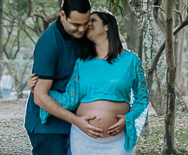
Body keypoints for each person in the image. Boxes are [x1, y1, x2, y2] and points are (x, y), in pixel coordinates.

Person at [34, 11, 150, 154]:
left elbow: (142, 98)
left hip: (117, 141)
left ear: (107, 26)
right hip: (83, 138)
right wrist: (38, 89)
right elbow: (70, 99)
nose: (88, 24)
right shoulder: (82, 62)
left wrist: (128, 119)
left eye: (93, 20)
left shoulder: (131, 60)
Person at [25, 0, 94, 155]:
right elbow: (40, 97)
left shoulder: (83, 35)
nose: (82, 29)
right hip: (48, 128)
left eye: (86, 23)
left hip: (75, 125)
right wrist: (77, 121)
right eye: (76, 24)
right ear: (63, 15)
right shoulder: (49, 44)